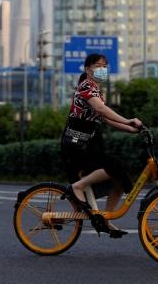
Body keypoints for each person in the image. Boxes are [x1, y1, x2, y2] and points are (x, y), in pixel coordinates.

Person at [61, 52, 143, 235]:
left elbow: (105, 117)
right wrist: (128, 119)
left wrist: (129, 128)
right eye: (98, 66)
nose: (102, 69)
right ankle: (78, 187)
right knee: (114, 166)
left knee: (120, 178)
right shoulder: (86, 86)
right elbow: (100, 109)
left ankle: (106, 219)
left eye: (105, 66)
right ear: (88, 69)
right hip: (75, 144)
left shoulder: (96, 90)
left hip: (88, 144)